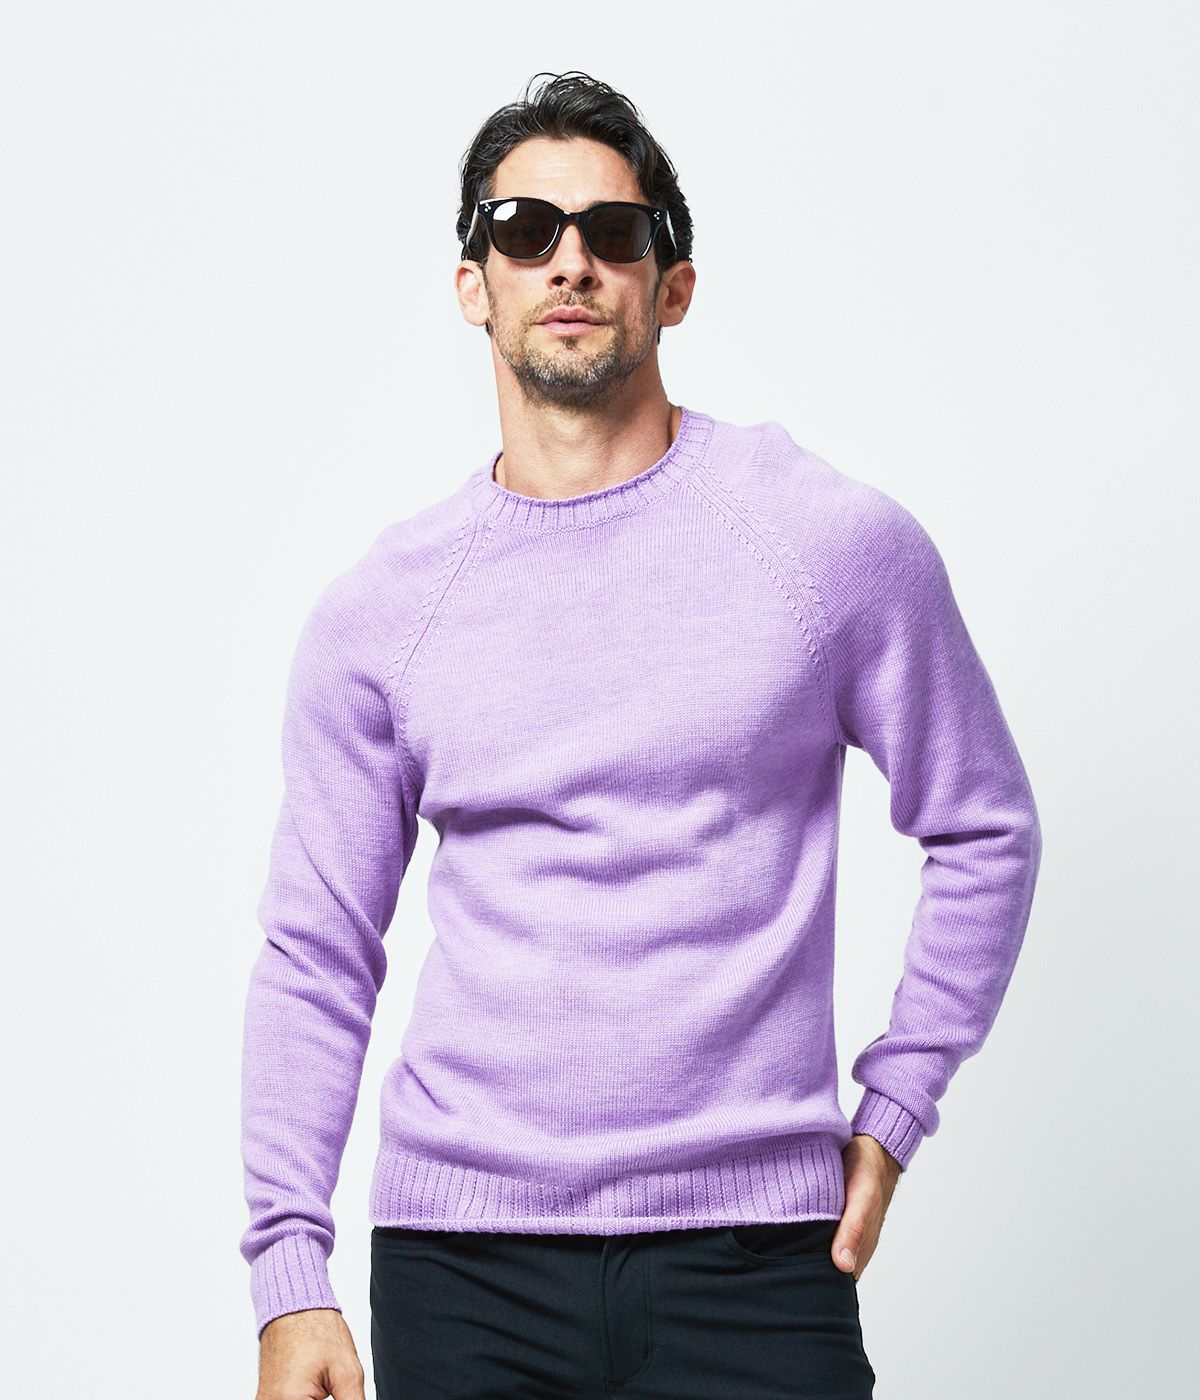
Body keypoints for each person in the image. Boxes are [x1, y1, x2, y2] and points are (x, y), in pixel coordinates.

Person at [241, 70, 1043, 1400]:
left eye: (614, 233)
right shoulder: (383, 614)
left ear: (673, 286)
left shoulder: (824, 544)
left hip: (756, 1259)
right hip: (464, 1268)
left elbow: (985, 826)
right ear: (473, 284)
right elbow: (317, 951)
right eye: (524, 229)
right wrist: (291, 1276)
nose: (570, 262)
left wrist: (897, 1107)